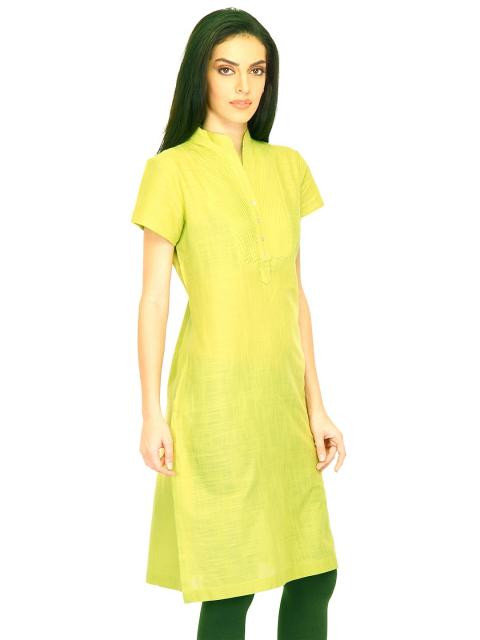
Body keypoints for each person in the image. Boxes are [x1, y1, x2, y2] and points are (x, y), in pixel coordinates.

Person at [131, 8, 346, 640]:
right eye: (226, 70)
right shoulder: (170, 170)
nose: (244, 85)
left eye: (257, 70)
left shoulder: (288, 166)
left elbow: (294, 295)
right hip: (215, 403)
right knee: (231, 584)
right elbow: (153, 300)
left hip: (281, 403)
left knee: (314, 574)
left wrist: (317, 407)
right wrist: (151, 413)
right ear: (200, 74)